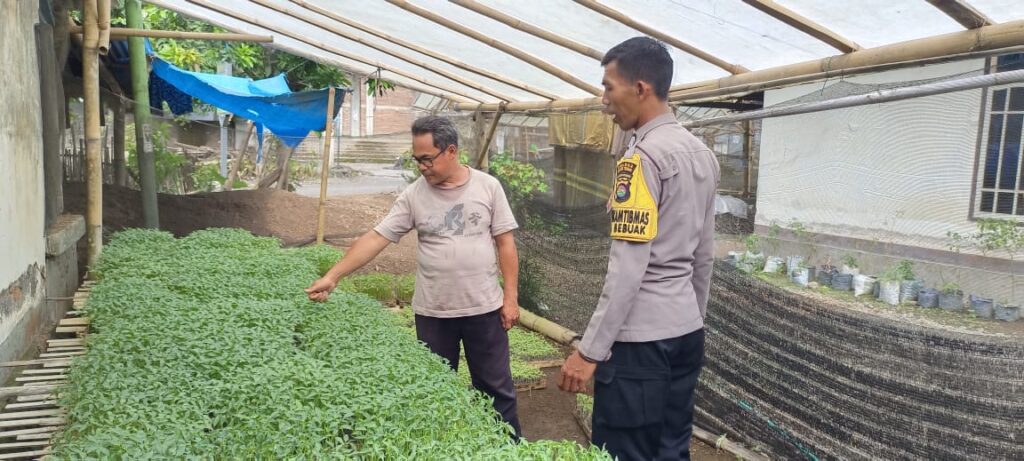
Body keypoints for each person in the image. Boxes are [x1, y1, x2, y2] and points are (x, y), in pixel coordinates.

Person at [305, 115, 523, 439]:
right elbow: (377, 237)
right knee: (435, 390)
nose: (421, 166)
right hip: (433, 314)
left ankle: (509, 450)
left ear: (451, 151)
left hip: (484, 310)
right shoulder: (414, 195)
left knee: (496, 391)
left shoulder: (487, 187)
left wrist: (510, 298)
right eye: (416, 159)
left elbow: (505, 243)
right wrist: (333, 276)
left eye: (427, 159)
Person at [557, 37, 720, 460]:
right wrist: (691, 317)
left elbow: (628, 271)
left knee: (625, 452)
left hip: (640, 345)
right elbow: (704, 254)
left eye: (610, 87)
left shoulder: (642, 159)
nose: (604, 99)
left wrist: (589, 351)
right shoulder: (702, 154)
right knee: (670, 448)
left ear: (641, 88)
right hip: (685, 331)